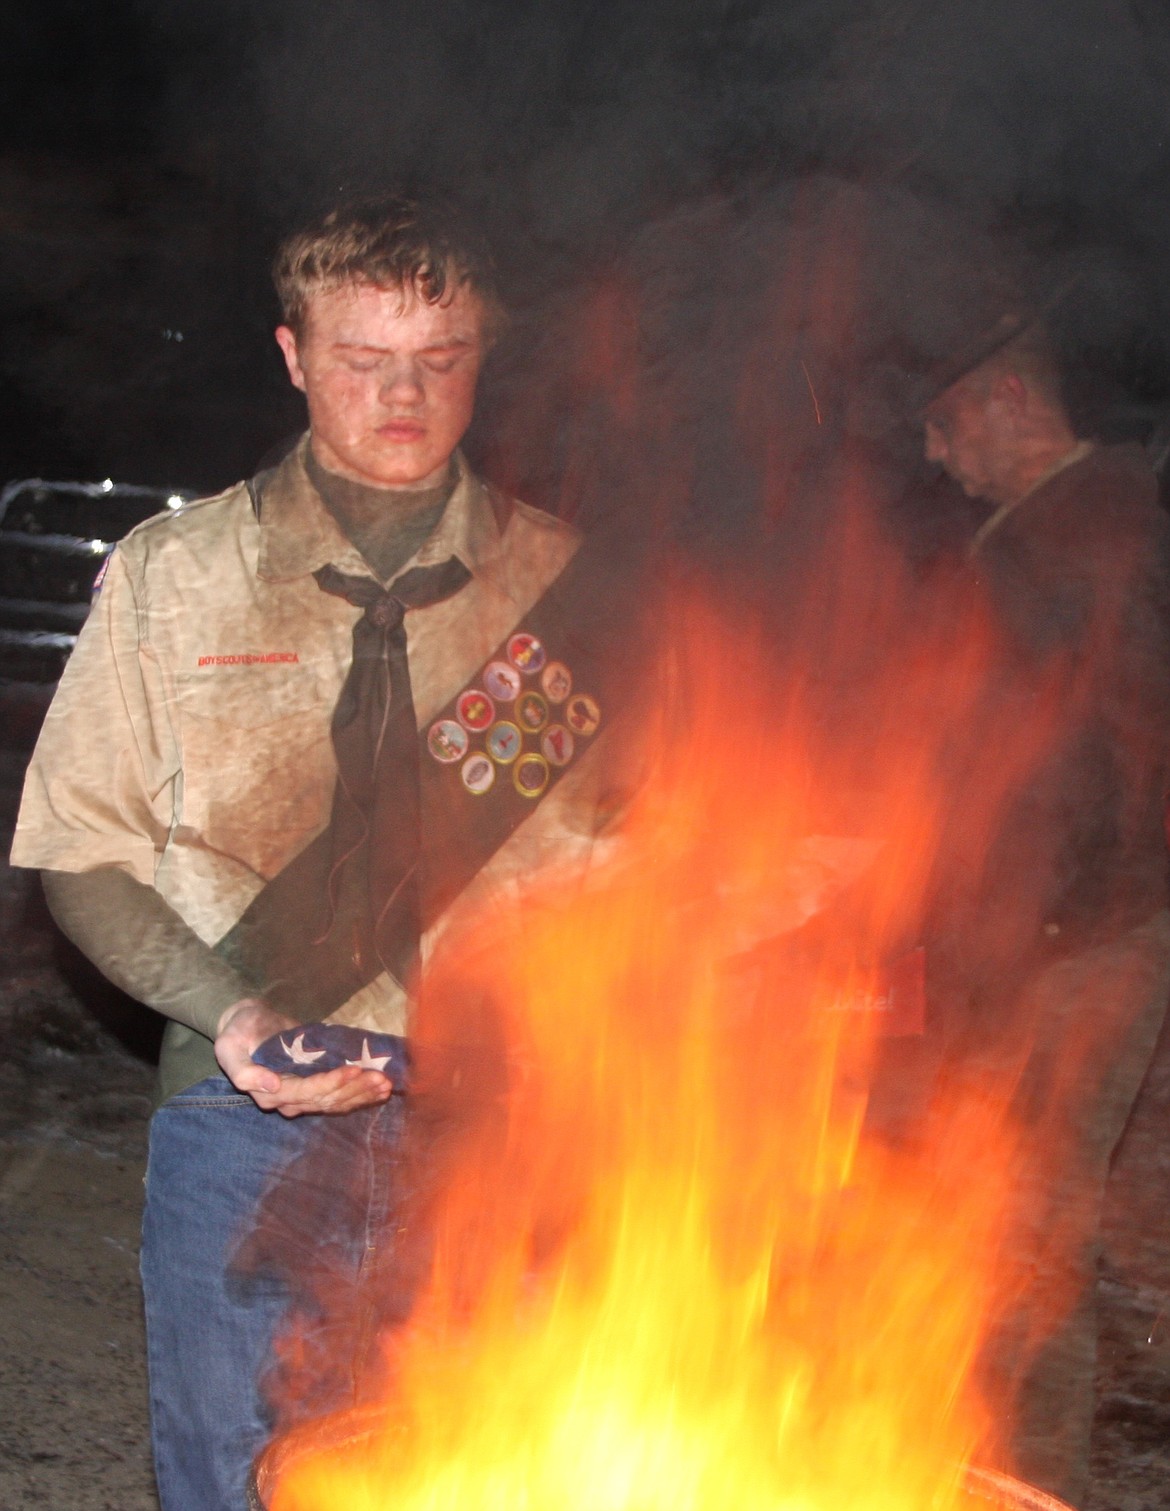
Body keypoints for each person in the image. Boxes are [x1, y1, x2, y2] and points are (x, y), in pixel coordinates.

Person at [10, 194, 617, 1511]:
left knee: (494, 1478)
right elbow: (81, 850)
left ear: (480, 358)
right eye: (360, 357)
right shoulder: (177, 575)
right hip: (241, 1129)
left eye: (439, 357)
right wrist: (233, 1020)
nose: (402, 392)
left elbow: (643, 855)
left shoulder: (569, 589)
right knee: (235, 1484)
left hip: (499, 1131)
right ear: (291, 352)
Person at [913, 311, 1170, 1506]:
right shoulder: (1059, 530)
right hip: (1060, 935)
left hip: (1079, 941)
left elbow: (1093, 763)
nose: (933, 449)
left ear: (1014, 396)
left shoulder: (1093, 528)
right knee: (1004, 1227)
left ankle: (1024, 1482)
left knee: (1023, 1236)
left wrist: (1029, 934)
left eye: (947, 417)